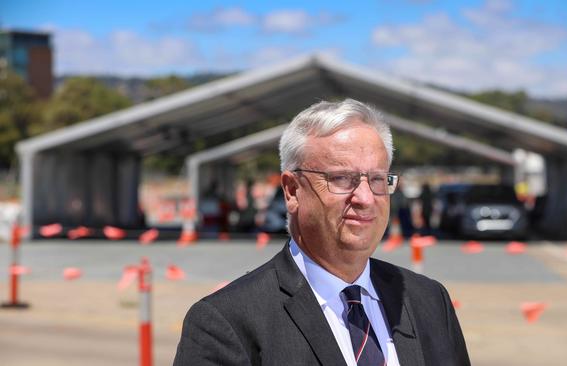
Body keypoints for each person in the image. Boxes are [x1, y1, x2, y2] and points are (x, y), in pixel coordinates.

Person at [173, 99, 470, 366]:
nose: (365, 198)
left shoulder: (429, 301)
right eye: (342, 178)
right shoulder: (227, 323)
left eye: (378, 179)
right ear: (292, 191)